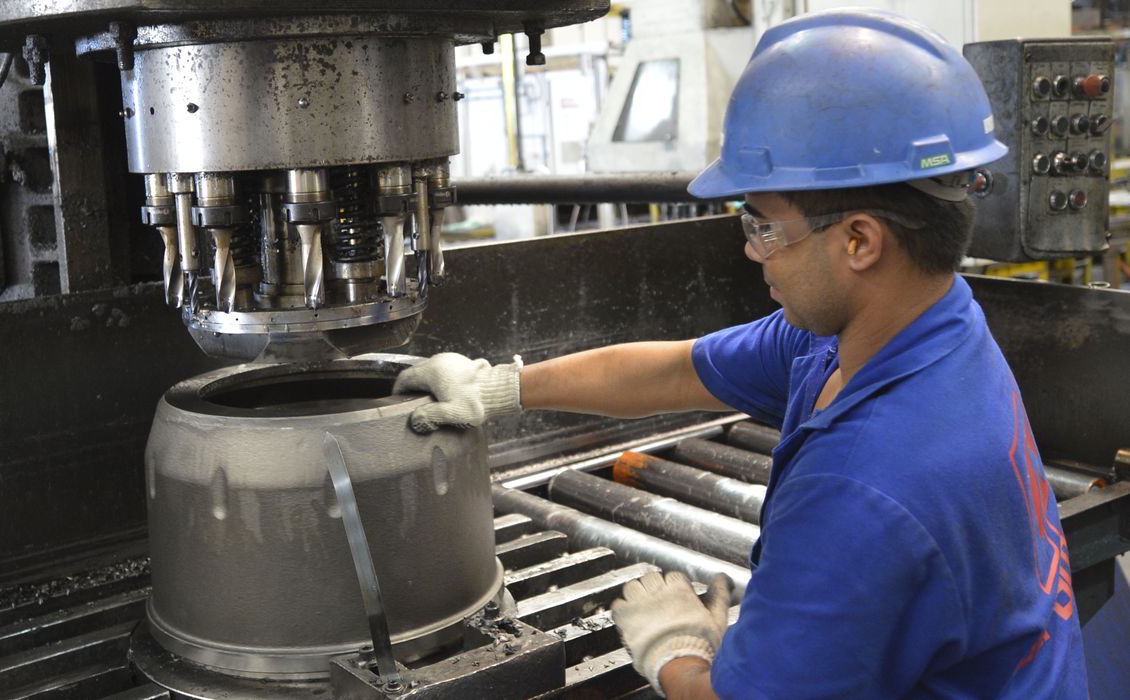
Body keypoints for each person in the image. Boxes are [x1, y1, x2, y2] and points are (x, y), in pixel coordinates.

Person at [393, 8, 1087, 699]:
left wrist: (675, 653)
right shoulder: (924, 326)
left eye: (764, 226)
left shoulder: (863, 487)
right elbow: (677, 368)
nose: (754, 252)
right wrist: (499, 388)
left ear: (859, 241)